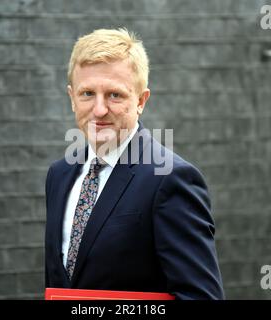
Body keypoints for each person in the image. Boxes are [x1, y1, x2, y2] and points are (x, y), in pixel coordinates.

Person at [45, 28, 224, 300]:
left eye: (115, 95)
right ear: (72, 97)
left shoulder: (171, 179)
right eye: (87, 93)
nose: (99, 109)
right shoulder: (59, 175)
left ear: (141, 100)